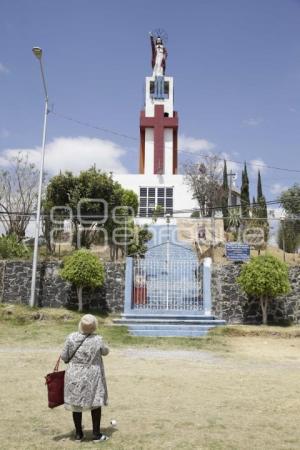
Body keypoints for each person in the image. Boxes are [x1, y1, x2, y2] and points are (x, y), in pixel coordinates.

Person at [61, 314, 109, 442]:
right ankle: (97, 434)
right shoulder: (98, 339)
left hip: (74, 374)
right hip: (92, 375)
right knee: (95, 403)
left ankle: (78, 434)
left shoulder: (71, 337)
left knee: (76, 404)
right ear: (94, 327)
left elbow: (64, 357)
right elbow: (105, 352)